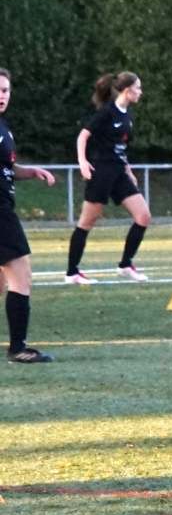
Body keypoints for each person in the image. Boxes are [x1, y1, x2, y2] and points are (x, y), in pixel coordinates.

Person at [0, 68, 60, 363]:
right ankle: (18, 349)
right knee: (21, 273)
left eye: (5, 90)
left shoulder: (3, 127)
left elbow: (7, 168)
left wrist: (31, 171)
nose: (1, 95)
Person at [66, 72, 148, 284]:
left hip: (119, 172)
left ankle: (125, 266)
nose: (140, 92)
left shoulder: (127, 115)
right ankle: (72, 273)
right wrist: (83, 162)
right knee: (87, 221)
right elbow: (83, 136)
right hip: (101, 171)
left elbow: (120, 148)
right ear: (127, 90)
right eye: (138, 88)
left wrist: (128, 171)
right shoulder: (106, 112)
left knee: (143, 216)